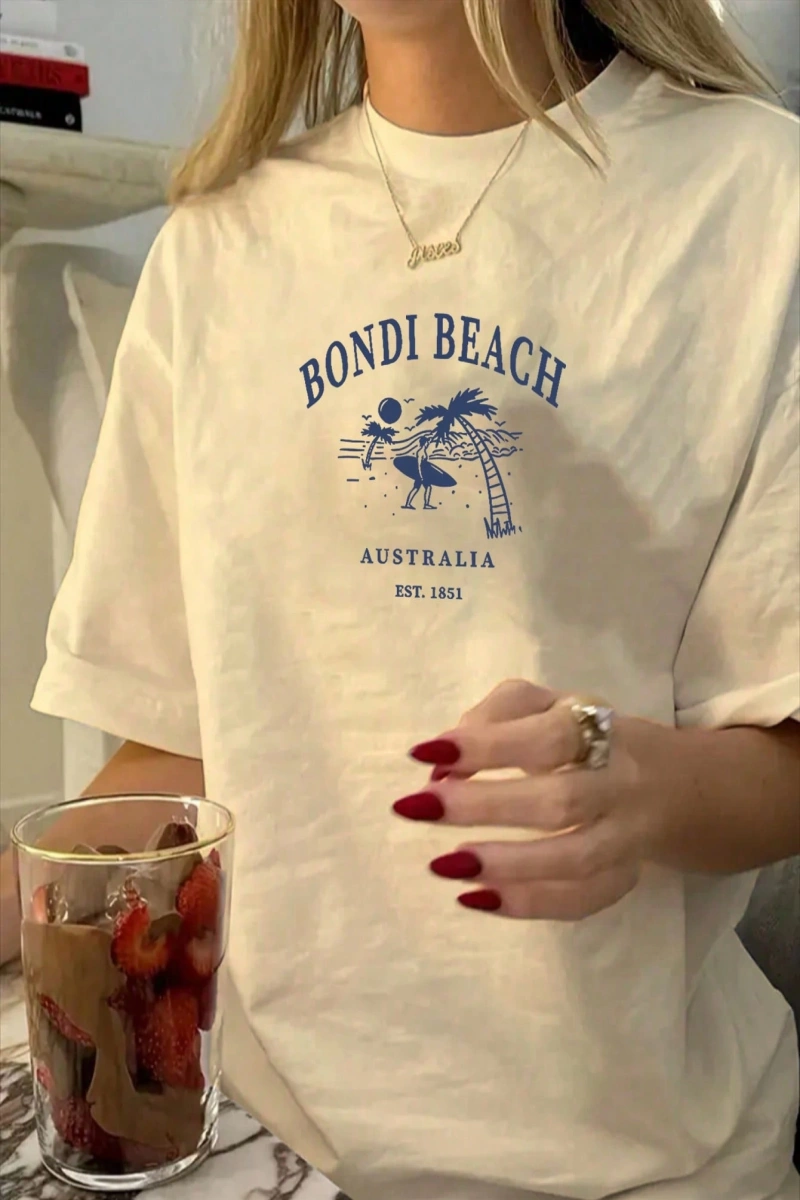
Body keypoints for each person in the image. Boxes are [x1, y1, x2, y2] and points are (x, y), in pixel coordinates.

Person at [4, 1, 799, 1197]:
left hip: (633, 1159)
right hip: (257, 1143)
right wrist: (30, 890)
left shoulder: (754, 200)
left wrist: (643, 787)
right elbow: (179, 745)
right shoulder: (216, 247)